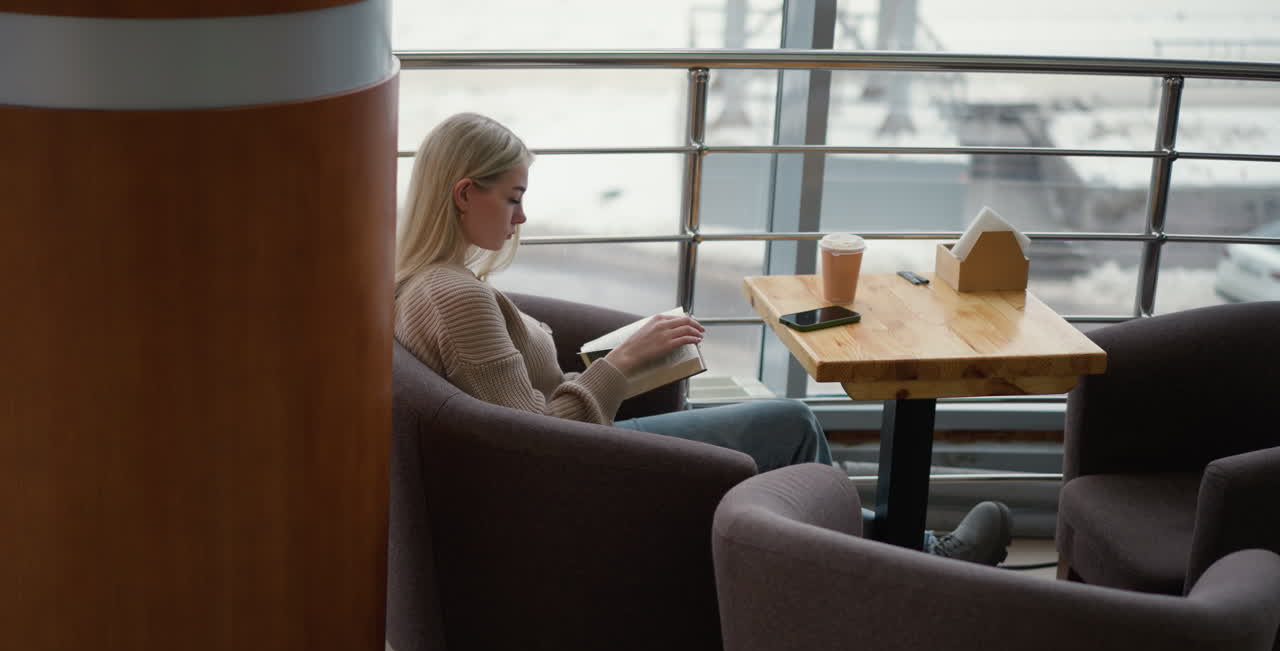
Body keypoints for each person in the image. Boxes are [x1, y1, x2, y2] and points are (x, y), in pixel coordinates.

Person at [393, 112, 1012, 565]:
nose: (521, 217)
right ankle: (908, 563)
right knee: (789, 424)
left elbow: (518, 418)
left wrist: (622, 362)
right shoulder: (456, 298)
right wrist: (624, 363)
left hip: (579, 457)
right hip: (575, 478)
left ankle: (910, 553)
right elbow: (531, 445)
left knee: (765, 430)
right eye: (513, 198)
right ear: (464, 193)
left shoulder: (428, 284)